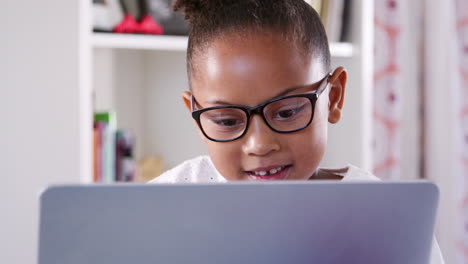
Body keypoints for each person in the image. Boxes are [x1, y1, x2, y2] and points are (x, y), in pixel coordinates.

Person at [149, 0, 444, 262]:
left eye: (287, 112)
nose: (259, 144)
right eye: (227, 121)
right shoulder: (160, 206)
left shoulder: (385, 217)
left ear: (334, 97)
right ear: (195, 114)